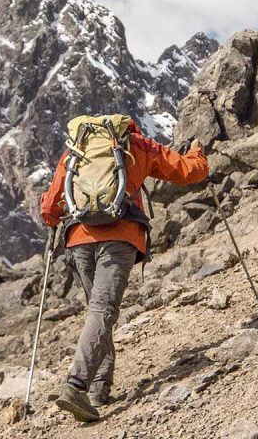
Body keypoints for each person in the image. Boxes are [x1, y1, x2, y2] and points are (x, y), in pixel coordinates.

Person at [40, 116, 209, 423]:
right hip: (120, 237)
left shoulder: (76, 149)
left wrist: (55, 220)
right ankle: (76, 385)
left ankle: (99, 388)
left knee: (97, 310)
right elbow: (187, 172)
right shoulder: (138, 144)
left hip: (78, 238)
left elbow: (50, 207)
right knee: (103, 310)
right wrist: (198, 153)